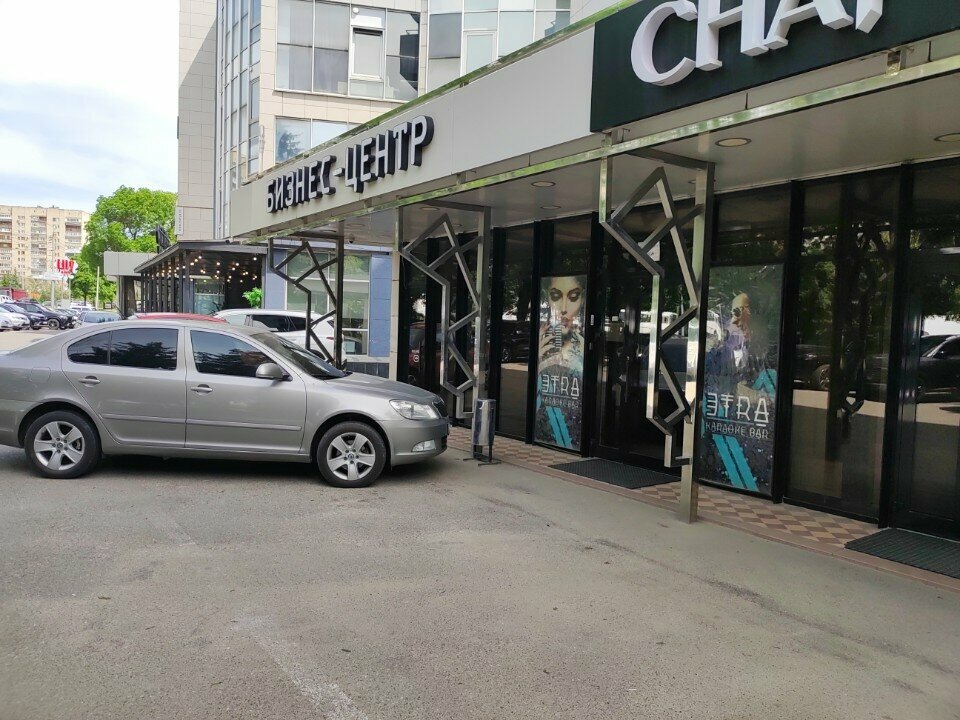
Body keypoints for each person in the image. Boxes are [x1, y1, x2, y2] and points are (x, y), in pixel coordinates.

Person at [537, 276, 585, 376]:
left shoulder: (583, 346)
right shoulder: (542, 342)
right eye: (555, 296)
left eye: (573, 296)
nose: (563, 309)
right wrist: (537, 360)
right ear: (547, 298)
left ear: (582, 300)